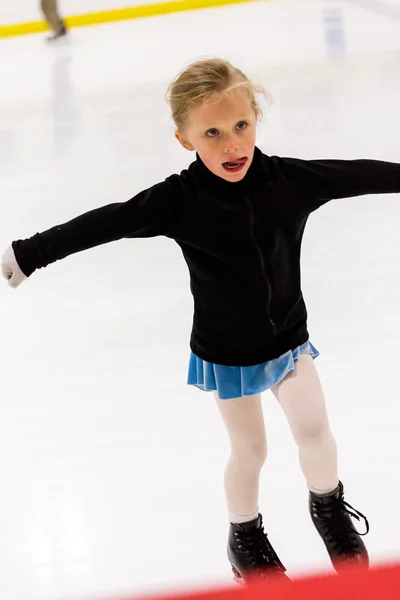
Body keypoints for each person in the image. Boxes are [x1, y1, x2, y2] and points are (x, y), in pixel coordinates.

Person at [2, 58, 399, 583]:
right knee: (250, 450)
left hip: (288, 340)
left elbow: (363, 174)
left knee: (315, 432)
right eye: (212, 133)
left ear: (257, 119)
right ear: (185, 139)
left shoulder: (291, 180)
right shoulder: (179, 200)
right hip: (228, 350)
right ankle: (245, 535)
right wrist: (29, 254)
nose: (232, 144)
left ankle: (329, 511)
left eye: (241, 127)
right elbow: (110, 220)